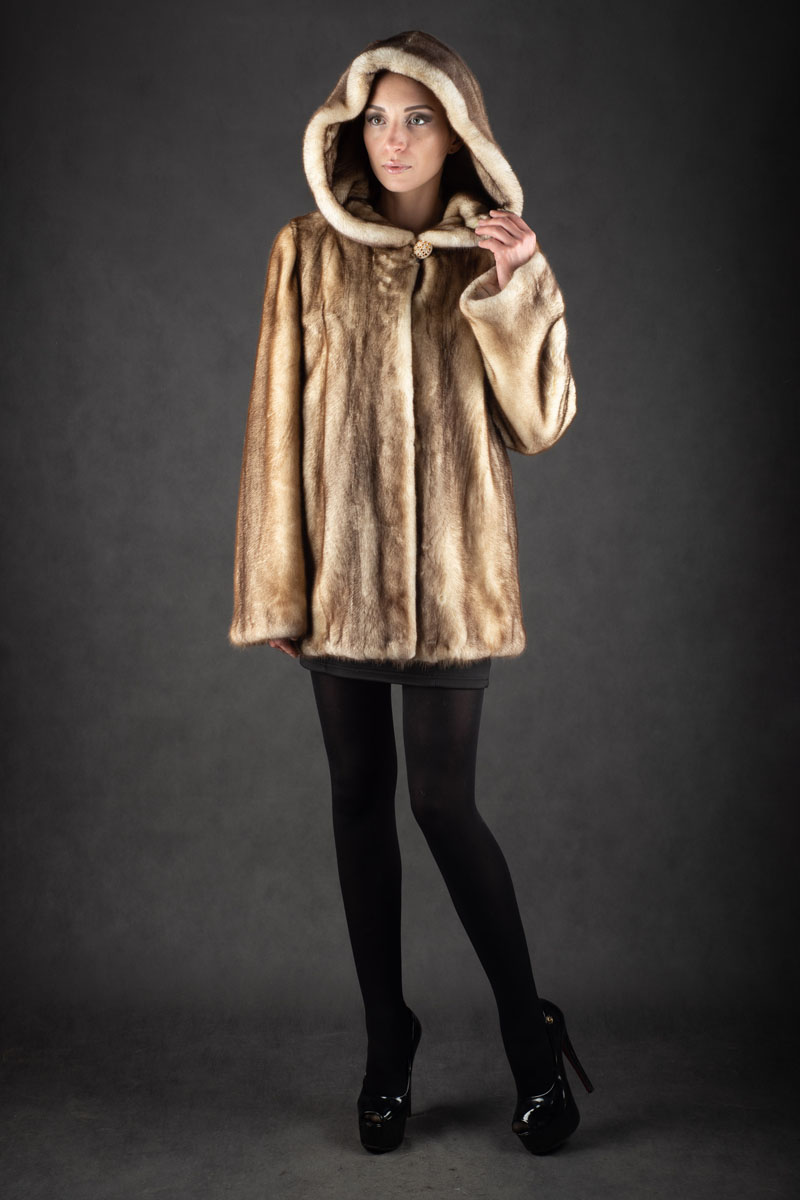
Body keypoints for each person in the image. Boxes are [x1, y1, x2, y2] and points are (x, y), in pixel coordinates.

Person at [228, 29, 593, 1155]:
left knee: (441, 802)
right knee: (355, 796)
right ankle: (387, 1042)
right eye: (377, 117)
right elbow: (275, 427)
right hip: (339, 579)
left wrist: (517, 289)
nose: (392, 139)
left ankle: (530, 1038)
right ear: (350, 127)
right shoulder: (304, 250)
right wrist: (278, 586)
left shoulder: (491, 254)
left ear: (457, 132)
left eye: (417, 118)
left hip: (451, 581)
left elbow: (541, 424)